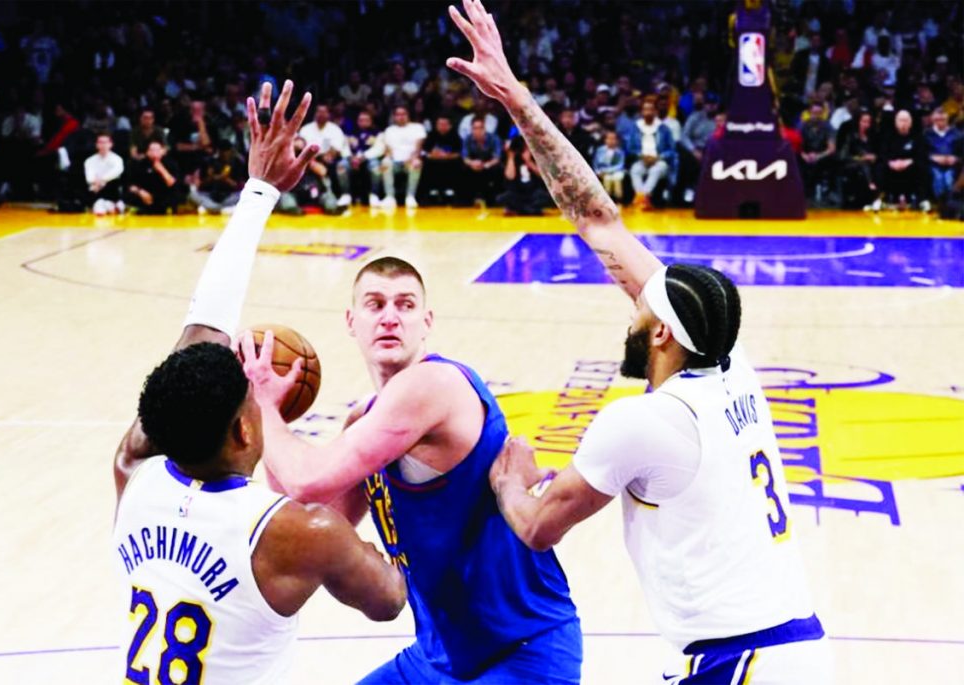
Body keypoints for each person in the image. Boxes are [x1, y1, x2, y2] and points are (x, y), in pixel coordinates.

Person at [443, 2, 831, 683]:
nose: (629, 300)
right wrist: (514, 95)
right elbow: (595, 219)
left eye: (641, 305)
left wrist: (508, 479)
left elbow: (537, 524)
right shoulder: (729, 362)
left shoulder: (643, 422)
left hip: (743, 660)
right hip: (784, 643)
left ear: (660, 332)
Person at [113, 80, 405, 685]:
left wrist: (258, 191)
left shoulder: (131, 475)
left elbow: (195, 342)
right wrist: (379, 465)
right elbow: (389, 598)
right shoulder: (302, 530)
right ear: (247, 426)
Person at [240, 250, 580, 685]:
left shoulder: (434, 386)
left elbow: (306, 481)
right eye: (375, 304)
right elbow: (306, 520)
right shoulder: (365, 419)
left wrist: (263, 405)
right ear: (351, 322)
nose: (390, 318)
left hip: (521, 648)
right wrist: (274, 418)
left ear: (427, 320)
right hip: (438, 654)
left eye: (405, 304)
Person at [625, 97, 676, 210]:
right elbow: (629, 148)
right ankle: (643, 200)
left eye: (651, 109)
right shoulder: (636, 127)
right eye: (645, 109)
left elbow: (671, 150)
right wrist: (641, 156)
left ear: (655, 111)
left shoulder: (664, 128)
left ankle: (641, 198)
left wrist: (658, 157)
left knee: (655, 170)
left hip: (659, 160)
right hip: (641, 159)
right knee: (635, 170)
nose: (648, 112)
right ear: (642, 112)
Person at [298, 104, 353, 208]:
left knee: (342, 166)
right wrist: (313, 162)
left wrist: (325, 158)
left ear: (329, 115)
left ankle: (344, 194)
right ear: (315, 114)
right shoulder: (306, 129)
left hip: (332, 159)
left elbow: (335, 150)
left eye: (324, 112)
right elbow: (301, 147)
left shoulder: (335, 129)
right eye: (319, 111)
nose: (321, 114)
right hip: (310, 160)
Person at [879, 110, 929, 211]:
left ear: (910, 123)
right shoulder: (888, 137)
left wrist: (910, 161)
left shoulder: (917, 137)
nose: (903, 123)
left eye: (906, 120)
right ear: (896, 122)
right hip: (892, 166)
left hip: (911, 166)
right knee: (880, 167)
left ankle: (921, 199)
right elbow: (883, 154)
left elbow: (921, 155)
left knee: (922, 168)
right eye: (901, 120)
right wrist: (891, 162)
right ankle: (883, 198)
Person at [378, 105, 427, 210]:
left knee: (416, 163)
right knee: (385, 162)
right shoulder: (389, 130)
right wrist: (390, 158)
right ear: (394, 117)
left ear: (408, 115)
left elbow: (418, 148)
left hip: (410, 160)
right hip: (395, 162)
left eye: (403, 114)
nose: (401, 117)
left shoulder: (417, 128)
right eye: (398, 115)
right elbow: (388, 150)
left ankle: (410, 196)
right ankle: (390, 197)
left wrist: (411, 158)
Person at [126, 140, 182, 214]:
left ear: (163, 151)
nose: (154, 152)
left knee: (175, 196)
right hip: (145, 196)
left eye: (157, 150)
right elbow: (131, 185)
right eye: (151, 150)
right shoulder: (139, 164)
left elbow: (172, 184)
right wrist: (140, 192)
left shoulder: (171, 164)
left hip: (163, 196)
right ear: (147, 152)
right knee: (130, 196)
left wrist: (161, 169)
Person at [839, 112, 881, 210]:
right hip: (852, 163)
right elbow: (843, 156)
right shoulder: (851, 136)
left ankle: (876, 196)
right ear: (858, 122)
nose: (866, 124)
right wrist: (861, 158)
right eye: (864, 121)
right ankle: (871, 186)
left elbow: (880, 153)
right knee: (863, 165)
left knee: (878, 167)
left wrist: (874, 157)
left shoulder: (874, 137)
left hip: (871, 164)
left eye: (868, 122)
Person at [421, 112, 463, 204]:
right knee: (426, 164)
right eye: (440, 124)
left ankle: (450, 191)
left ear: (450, 126)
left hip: (450, 162)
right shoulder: (431, 135)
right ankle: (432, 191)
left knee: (457, 164)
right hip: (433, 162)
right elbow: (425, 152)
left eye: (445, 124)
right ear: (436, 125)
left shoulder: (455, 136)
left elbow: (459, 153)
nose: (442, 126)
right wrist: (433, 155)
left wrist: (446, 156)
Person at [924, 107, 962, 203]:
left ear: (947, 119)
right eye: (937, 120)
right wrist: (932, 157)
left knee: (949, 179)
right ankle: (940, 203)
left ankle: (950, 203)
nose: (940, 122)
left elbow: (961, 152)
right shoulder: (926, 134)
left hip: (952, 165)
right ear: (933, 120)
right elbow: (922, 152)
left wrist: (956, 158)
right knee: (938, 178)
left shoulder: (957, 134)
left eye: (943, 120)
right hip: (933, 164)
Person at [462, 116, 502, 206]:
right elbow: (465, 157)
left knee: (498, 169)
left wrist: (485, 165)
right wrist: (472, 163)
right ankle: (467, 199)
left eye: (480, 128)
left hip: (489, 164)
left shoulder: (494, 138)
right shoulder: (467, 139)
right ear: (471, 129)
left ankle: (493, 198)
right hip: (474, 164)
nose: (478, 130)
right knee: (462, 169)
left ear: (484, 128)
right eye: (475, 128)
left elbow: (497, 157)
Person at [84, 132, 125, 215]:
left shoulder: (117, 159)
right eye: (100, 142)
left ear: (111, 144)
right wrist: (97, 183)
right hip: (95, 189)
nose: (103, 145)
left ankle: (114, 205)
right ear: (96, 145)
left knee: (114, 184)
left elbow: (117, 172)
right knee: (97, 202)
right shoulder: (89, 161)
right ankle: (101, 206)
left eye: (106, 142)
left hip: (112, 190)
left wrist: (102, 181)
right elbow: (89, 178)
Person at [592, 130, 625, 203]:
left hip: (615, 171)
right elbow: (595, 163)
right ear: (605, 140)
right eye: (609, 138)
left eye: (613, 139)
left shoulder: (619, 152)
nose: (611, 141)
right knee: (607, 179)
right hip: (602, 171)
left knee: (617, 179)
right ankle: (607, 201)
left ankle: (618, 200)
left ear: (617, 141)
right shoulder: (600, 150)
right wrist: (598, 171)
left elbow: (620, 165)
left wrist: (607, 171)